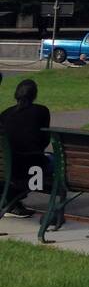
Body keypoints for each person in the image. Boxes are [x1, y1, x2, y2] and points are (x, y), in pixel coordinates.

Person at [0, 79, 53, 216]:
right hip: (29, 165)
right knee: (55, 161)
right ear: (34, 95)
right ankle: (12, 201)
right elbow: (43, 140)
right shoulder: (41, 111)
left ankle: (10, 200)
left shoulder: (5, 114)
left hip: (6, 165)